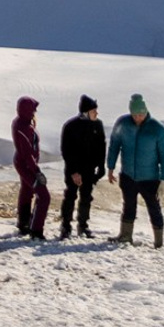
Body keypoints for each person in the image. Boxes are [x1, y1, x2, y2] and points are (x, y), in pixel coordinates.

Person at [108, 93, 164, 245]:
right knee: (128, 206)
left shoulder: (157, 129)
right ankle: (125, 236)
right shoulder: (122, 124)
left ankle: (158, 242)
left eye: (141, 114)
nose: (138, 118)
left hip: (150, 178)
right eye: (135, 115)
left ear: (146, 111)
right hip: (128, 176)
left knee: (154, 208)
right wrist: (110, 167)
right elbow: (114, 145)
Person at [57, 94, 105, 238]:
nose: (96, 113)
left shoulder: (98, 125)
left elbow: (101, 146)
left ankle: (83, 226)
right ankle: (65, 225)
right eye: (93, 111)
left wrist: (101, 166)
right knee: (70, 196)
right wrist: (74, 171)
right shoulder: (71, 126)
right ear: (85, 112)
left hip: (89, 169)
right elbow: (66, 150)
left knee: (86, 197)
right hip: (74, 169)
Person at [10, 94, 50, 240]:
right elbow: (27, 154)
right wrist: (37, 172)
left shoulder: (23, 122)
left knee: (27, 191)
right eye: (32, 109)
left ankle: (24, 223)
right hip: (26, 165)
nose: (35, 112)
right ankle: (36, 230)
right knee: (44, 196)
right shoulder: (22, 127)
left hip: (25, 163)